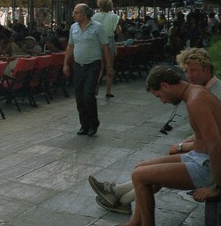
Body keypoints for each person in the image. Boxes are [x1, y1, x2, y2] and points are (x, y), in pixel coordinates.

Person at [88, 47, 221, 215]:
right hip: (201, 157)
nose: (189, 76)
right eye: (186, 71)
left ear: (207, 69)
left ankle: (120, 199)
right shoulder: (199, 91)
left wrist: (216, 186)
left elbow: (215, 143)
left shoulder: (203, 96)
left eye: (193, 71)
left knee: (144, 174)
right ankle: (118, 195)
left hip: (207, 163)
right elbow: (205, 135)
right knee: (142, 168)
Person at [63, 3, 113, 137]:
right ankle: (84, 124)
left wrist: (109, 67)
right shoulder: (73, 27)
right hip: (78, 65)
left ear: (84, 14)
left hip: (93, 65)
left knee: (88, 95)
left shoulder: (98, 27)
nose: (73, 14)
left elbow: (106, 47)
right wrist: (65, 64)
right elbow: (70, 46)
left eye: (76, 12)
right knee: (79, 96)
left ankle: (93, 124)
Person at [92, 0, 121, 98]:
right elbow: (118, 31)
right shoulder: (114, 17)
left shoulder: (94, 16)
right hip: (109, 41)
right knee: (109, 66)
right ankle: (108, 91)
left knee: (99, 66)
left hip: (98, 41)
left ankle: (95, 87)